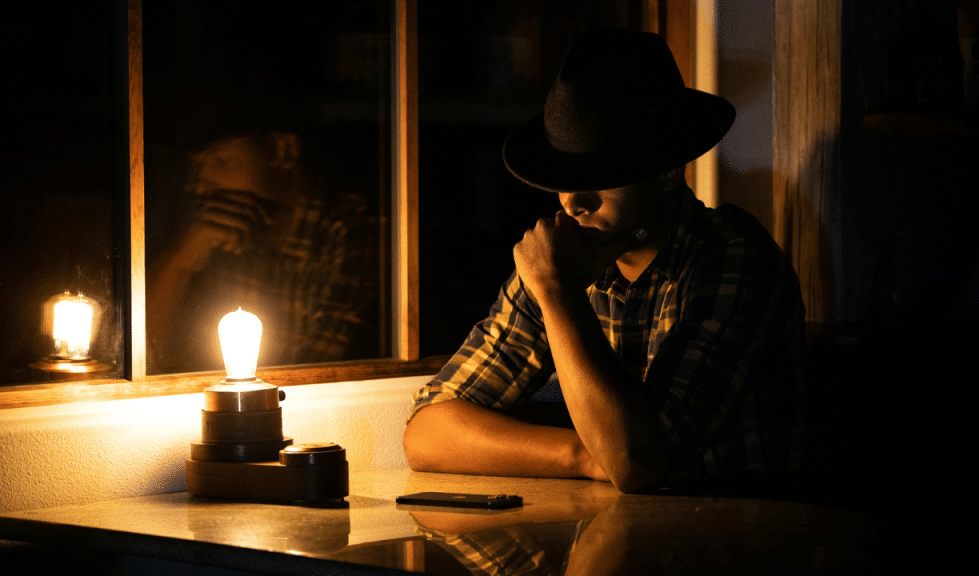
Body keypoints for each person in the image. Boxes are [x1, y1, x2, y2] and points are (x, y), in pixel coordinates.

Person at [403, 28, 813, 494]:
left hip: (747, 539)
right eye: (565, 178)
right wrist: (585, 455)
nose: (574, 202)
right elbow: (426, 433)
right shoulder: (565, 258)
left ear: (667, 170)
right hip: (628, 536)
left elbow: (639, 463)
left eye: (602, 177)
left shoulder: (733, 257)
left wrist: (558, 295)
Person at [146, 126, 380, 373]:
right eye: (194, 166)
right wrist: (180, 261)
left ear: (283, 151)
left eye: (222, 162)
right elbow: (150, 357)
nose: (198, 186)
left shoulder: (350, 230)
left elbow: (322, 382)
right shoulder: (214, 234)